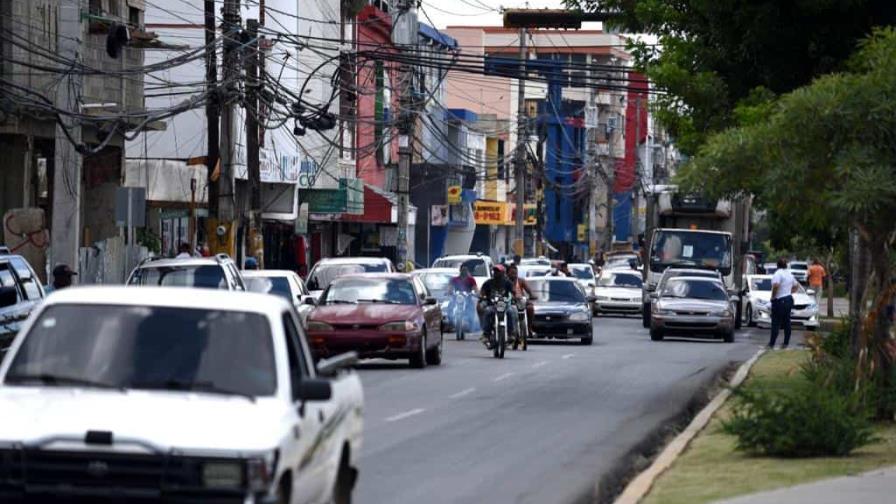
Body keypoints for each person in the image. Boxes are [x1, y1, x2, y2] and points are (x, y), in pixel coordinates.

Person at [477, 265, 519, 345]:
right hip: (492, 305)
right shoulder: (488, 283)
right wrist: (482, 296)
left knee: (511, 312)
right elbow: (482, 292)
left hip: (504, 305)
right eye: (495, 271)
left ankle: (511, 334)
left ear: (503, 273)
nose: (496, 273)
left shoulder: (507, 283)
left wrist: (515, 297)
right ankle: (486, 334)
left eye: (498, 271)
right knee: (488, 311)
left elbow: (513, 292)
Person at [769, 258, 799, 349]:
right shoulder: (789, 274)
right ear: (786, 265)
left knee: (776, 322)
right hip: (789, 299)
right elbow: (796, 285)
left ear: (777, 265)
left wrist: (773, 296)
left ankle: (772, 343)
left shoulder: (778, 273)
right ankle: (786, 342)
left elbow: (776, 285)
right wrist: (789, 291)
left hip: (780, 300)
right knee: (787, 322)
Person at [507, 264, 537, 336]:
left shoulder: (521, 281)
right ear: (507, 273)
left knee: (530, 308)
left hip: (520, 301)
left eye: (515, 273)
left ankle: (529, 328)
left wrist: (532, 295)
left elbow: (528, 290)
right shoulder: (505, 282)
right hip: (509, 302)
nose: (514, 275)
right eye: (512, 273)